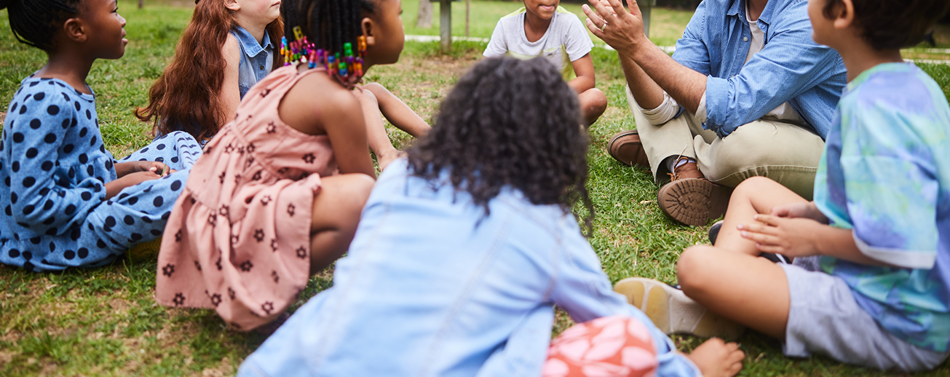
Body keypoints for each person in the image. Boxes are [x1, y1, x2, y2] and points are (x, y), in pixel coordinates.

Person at [236, 57, 744, 377]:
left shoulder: (399, 178)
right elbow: (610, 316)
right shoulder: (545, 225)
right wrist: (683, 367)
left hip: (299, 359)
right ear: (555, 145)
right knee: (626, 338)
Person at [616, 0, 950, 372]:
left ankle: (725, 298)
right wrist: (815, 215)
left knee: (696, 266)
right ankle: (730, 302)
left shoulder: (878, 113)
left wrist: (813, 235)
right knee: (754, 193)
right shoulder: (903, 85)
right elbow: (894, 206)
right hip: (870, 275)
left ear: (843, 13)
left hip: (893, 315)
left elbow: (905, 245)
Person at [155, 0, 417, 330]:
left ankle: (256, 278)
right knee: (361, 196)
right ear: (368, 30)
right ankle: (254, 294)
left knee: (356, 194)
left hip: (223, 217)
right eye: (400, 15)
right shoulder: (336, 99)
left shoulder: (308, 73)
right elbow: (368, 206)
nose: (402, 24)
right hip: (230, 227)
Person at [584, 0, 846, 226]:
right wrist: (630, 48)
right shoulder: (716, 5)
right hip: (733, 120)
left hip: (813, 143)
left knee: (741, 147)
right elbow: (664, 106)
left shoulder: (811, 9)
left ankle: (671, 156)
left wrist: (640, 47)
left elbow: (735, 104)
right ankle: (687, 169)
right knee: (654, 70)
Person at [0, 0, 201, 271]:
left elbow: (75, 166)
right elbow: (30, 206)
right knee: (195, 182)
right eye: (113, 11)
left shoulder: (70, 88)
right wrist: (114, 188)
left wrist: (129, 168)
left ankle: (197, 183)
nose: (122, 21)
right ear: (77, 30)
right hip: (57, 239)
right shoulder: (45, 100)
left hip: (86, 205)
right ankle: (202, 188)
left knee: (179, 140)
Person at [136, 0, 284, 144]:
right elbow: (230, 130)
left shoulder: (275, 42)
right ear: (231, 0)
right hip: (208, 146)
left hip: (247, 141)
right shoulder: (227, 45)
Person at [484, 0, 608, 126]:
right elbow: (484, 76)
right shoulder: (506, 25)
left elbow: (587, 79)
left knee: (596, 98)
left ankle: (539, 128)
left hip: (555, 101)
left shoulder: (569, 23)